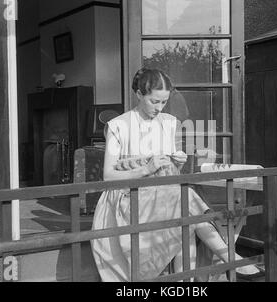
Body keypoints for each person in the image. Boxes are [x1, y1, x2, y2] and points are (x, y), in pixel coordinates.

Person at [91, 68, 262, 282]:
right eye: (154, 101)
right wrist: (145, 169)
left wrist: (177, 162)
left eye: (163, 102)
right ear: (138, 95)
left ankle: (197, 276)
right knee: (186, 203)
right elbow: (108, 176)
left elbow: (171, 173)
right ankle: (230, 258)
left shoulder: (169, 122)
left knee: (185, 212)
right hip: (129, 198)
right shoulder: (119, 126)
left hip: (163, 195)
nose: (159, 108)